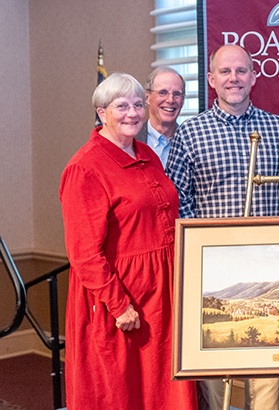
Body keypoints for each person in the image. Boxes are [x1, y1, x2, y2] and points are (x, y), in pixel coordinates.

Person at [166, 44, 279, 410]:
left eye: (241, 71)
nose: (233, 79)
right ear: (211, 80)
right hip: (213, 269)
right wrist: (204, 251)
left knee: (266, 362)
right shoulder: (190, 134)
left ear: (254, 76)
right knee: (212, 364)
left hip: (270, 266)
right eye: (225, 72)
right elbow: (178, 201)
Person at [59, 72, 197, 410]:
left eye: (137, 104)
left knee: (163, 388)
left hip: (161, 293)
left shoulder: (147, 154)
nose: (132, 113)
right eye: (122, 106)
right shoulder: (85, 167)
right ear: (102, 112)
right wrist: (119, 305)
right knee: (122, 391)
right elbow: (84, 254)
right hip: (119, 298)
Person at [135, 66, 185, 168]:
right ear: (147, 97)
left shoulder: (191, 143)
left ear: (183, 100)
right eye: (162, 93)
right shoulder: (130, 142)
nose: (170, 100)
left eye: (176, 94)